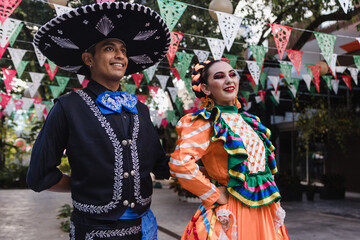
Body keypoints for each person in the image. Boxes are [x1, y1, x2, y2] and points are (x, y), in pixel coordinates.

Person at [27, 2, 171, 239]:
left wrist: (202, 163)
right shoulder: (67, 107)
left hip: (143, 229)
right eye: (109, 48)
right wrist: (87, 186)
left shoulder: (141, 109)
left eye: (123, 51)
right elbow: (39, 175)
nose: (120, 56)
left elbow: (160, 164)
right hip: (93, 231)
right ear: (88, 58)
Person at [169, 60, 290, 239]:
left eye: (232, 74)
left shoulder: (250, 121)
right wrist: (215, 195)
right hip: (231, 213)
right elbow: (180, 163)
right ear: (206, 88)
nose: (229, 80)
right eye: (219, 76)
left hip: (264, 209)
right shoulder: (206, 121)